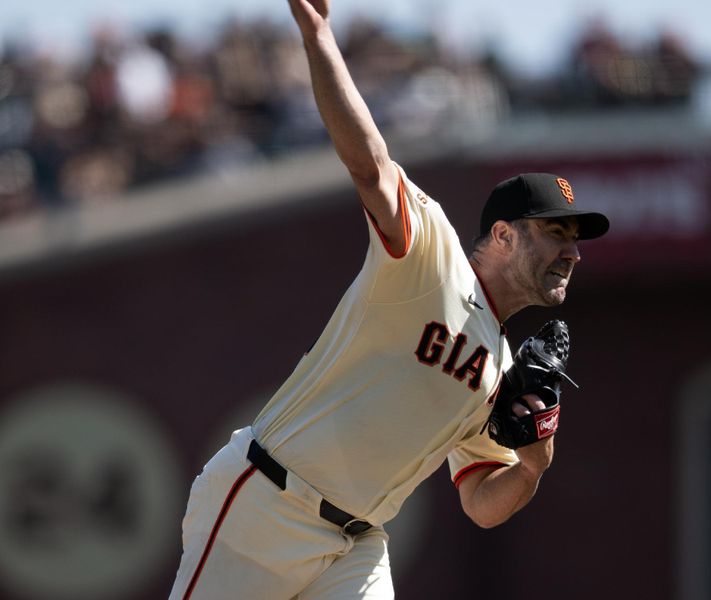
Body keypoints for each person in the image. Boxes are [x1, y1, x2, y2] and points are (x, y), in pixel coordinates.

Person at [169, 1, 610, 598]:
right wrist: (320, 35)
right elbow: (370, 164)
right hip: (267, 502)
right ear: (503, 234)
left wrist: (536, 461)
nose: (573, 252)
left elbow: (483, 503)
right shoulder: (433, 255)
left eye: (576, 240)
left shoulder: (502, 370)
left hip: (356, 542)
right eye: (556, 233)